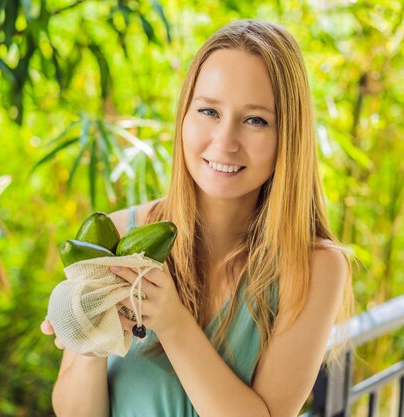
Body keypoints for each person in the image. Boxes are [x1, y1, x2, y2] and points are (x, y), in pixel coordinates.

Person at [41, 19, 354, 417]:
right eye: (208, 110)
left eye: (255, 119)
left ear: (288, 135)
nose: (224, 142)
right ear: (184, 116)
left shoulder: (315, 266)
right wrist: (91, 333)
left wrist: (173, 324)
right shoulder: (117, 232)